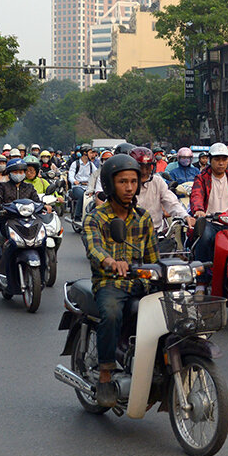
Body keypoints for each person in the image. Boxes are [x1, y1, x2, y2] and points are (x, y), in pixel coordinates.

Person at [80, 152, 158, 407]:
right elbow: (93, 248)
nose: (129, 187)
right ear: (110, 184)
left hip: (140, 284)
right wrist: (110, 261)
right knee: (112, 313)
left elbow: (152, 256)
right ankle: (105, 374)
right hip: (109, 283)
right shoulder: (96, 217)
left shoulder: (144, 218)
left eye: (133, 182)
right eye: (123, 182)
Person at [132, 146, 190, 233]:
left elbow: (171, 202)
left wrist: (185, 216)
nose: (144, 171)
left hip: (156, 233)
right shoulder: (125, 184)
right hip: (131, 234)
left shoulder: (157, 181)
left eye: (147, 167)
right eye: (140, 167)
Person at [67, 145, 98, 222]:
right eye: (91, 153)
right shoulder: (75, 163)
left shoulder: (91, 164)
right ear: (85, 153)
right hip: (77, 187)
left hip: (88, 187)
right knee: (82, 195)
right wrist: (74, 181)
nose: (93, 155)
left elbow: (97, 174)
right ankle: (77, 216)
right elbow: (70, 175)